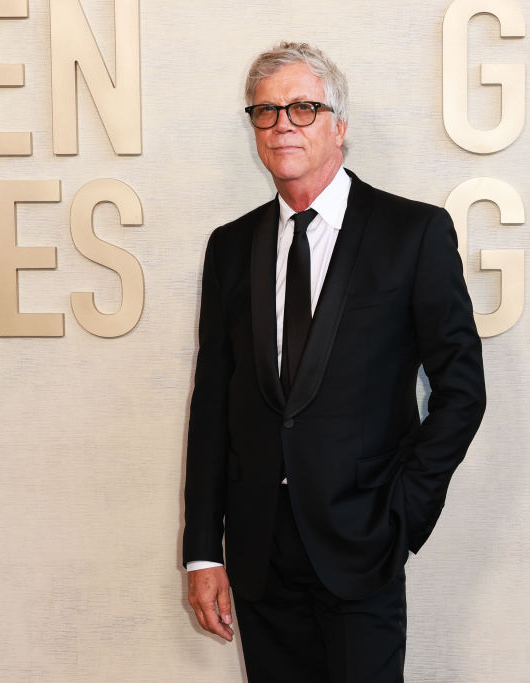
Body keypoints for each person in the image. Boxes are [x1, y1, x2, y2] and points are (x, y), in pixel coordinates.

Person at [183, 41, 486, 682]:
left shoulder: (413, 233)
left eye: (303, 108)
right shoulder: (230, 247)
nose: (283, 125)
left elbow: (462, 389)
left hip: (362, 543)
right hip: (260, 554)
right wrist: (204, 553)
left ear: (339, 126)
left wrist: (403, 512)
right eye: (266, 112)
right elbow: (212, 404)